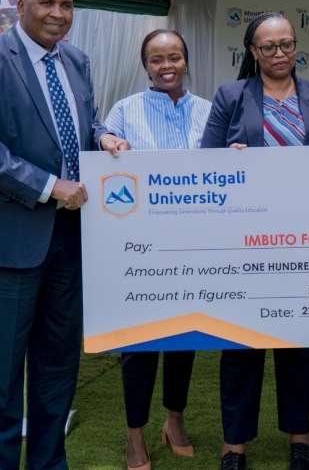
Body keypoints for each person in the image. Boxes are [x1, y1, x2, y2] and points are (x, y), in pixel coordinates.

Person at [0, 0, 130, 470]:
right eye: (46, 2)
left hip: (70, 240)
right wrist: (50, 187)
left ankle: (50, 463)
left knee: (56, 372)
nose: (58, 13)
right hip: (7, 241)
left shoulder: (76, 60)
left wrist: (104, 137)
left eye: (66, 5)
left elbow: (75, 126)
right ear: (20, 4)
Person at [201, 12, 309, 470]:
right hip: (244, 240)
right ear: (253, 52)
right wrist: (230, 159)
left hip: (305, 238)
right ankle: (234, 445)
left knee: (297, 345)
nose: (280, 54)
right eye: (269, 47)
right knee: (239, 346)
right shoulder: (231, 95)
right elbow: (205, 162)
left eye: (287, 44)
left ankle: (300, 439)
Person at [104, 29, 211, 470]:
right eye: (157, 59)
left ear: (186, 61)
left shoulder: (209, 111)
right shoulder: (124, 112)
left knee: (183, 339)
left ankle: (175, 420)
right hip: (139, 251)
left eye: (174, 57)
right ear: (145, 65)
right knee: (140, 346)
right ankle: (135, 436)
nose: (166, 66)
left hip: (192, 247)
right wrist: (105, 140)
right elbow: (103, 149)